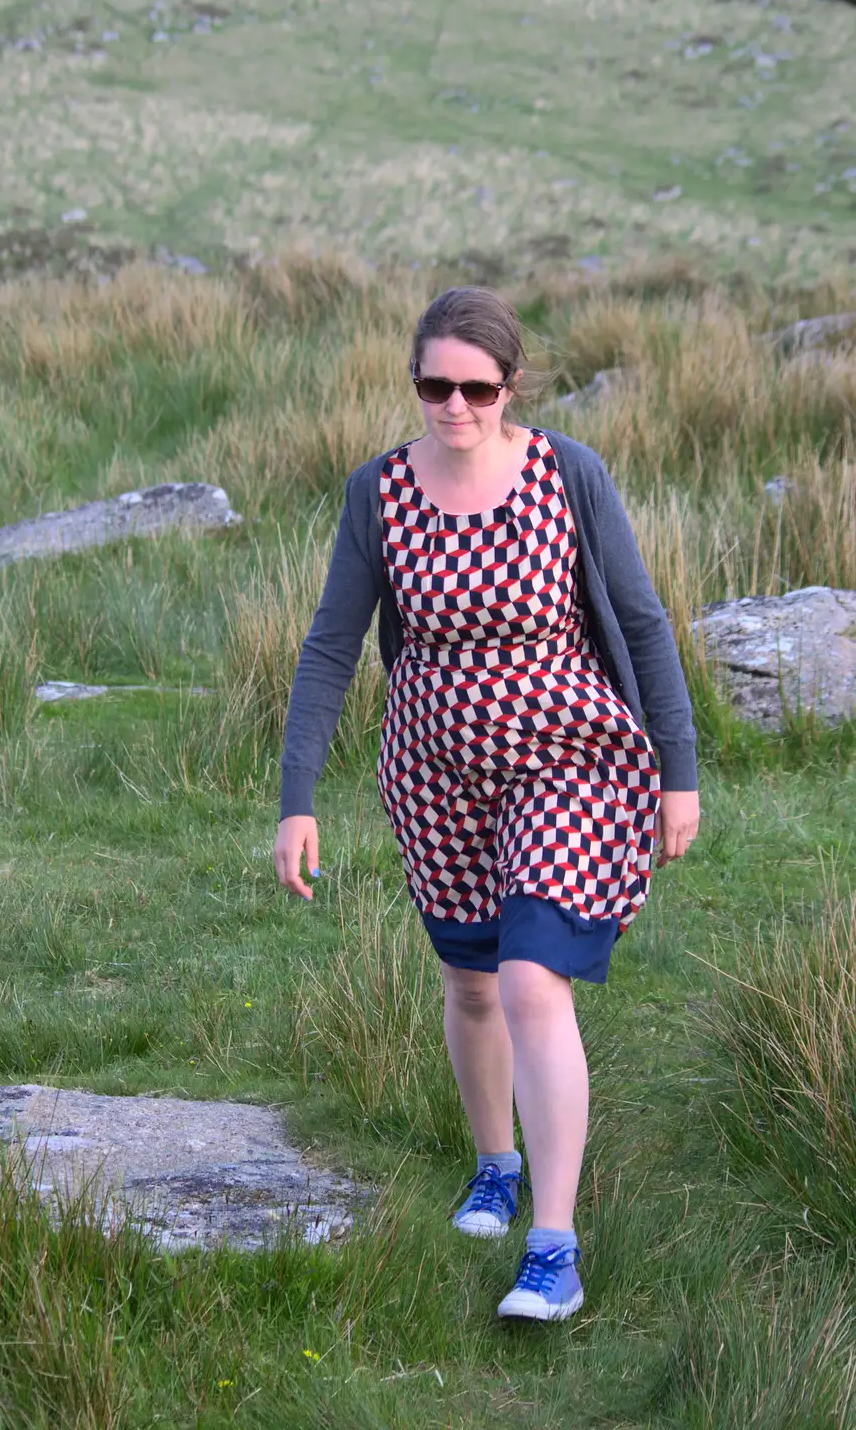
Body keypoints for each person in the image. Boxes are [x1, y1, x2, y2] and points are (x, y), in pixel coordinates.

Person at [273, 286, 699, 1322]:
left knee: (527, 982)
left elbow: (639, 623)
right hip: (433, 769)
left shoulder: (567, 474)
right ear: (413, 381)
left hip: (572, 754)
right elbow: (332, 644)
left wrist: (677, 771)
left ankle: (552, 1247)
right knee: (469, 986)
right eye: (434, 385)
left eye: (475, 387)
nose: (453, 405)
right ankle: (494, 1164)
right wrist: (296, 798)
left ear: (511, 386)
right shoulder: (377, 491)